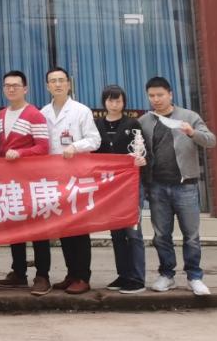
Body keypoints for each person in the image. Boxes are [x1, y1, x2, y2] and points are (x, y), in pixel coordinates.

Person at [140, 76, 217, 297]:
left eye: (160, 95)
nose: (156, 99)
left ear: (170, 94)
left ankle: (195, 277)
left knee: (191, 235)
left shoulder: (189, 117)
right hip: (157, 186)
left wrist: (192, 133)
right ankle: (167, 275)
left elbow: (211, 140)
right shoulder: (145, 121)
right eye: (152, 96)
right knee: (161, 235)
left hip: (186, 186)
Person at [40, 67, 101, 295]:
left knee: (79, 227)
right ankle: (71, 274)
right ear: (47, 86)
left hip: (77, 177)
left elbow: (95, 140)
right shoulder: (43, 112)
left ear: (68, 84)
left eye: (61, 80)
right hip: (54, 179)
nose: (57, 84)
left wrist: (75, 146)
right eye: (53, 81)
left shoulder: (81, 111)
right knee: (64, 227)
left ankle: (83, 276)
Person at [0, 70, 52, 296]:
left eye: (16, 85)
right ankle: (18, 272)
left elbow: (43, 147)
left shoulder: (34, 115)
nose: (11, 89)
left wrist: (21, 153)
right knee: (15, 226)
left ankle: (43, 275)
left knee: (38, 229)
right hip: (10, 182)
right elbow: (2, 149)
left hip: (32, 181)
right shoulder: (1, 115)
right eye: (7, 85)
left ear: (25, 89)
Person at [95, 84, 147, 295]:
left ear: (124, 102)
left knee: (133, 232)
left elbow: (144, 150)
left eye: (118, 100)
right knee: (116, 232)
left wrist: (142, 160)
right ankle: (123, 275)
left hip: (131, 185)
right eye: (110, 100)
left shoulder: (132, 123)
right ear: (104, 102)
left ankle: (137, 278)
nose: (114, 104)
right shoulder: (97, 124)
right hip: (109, 187)